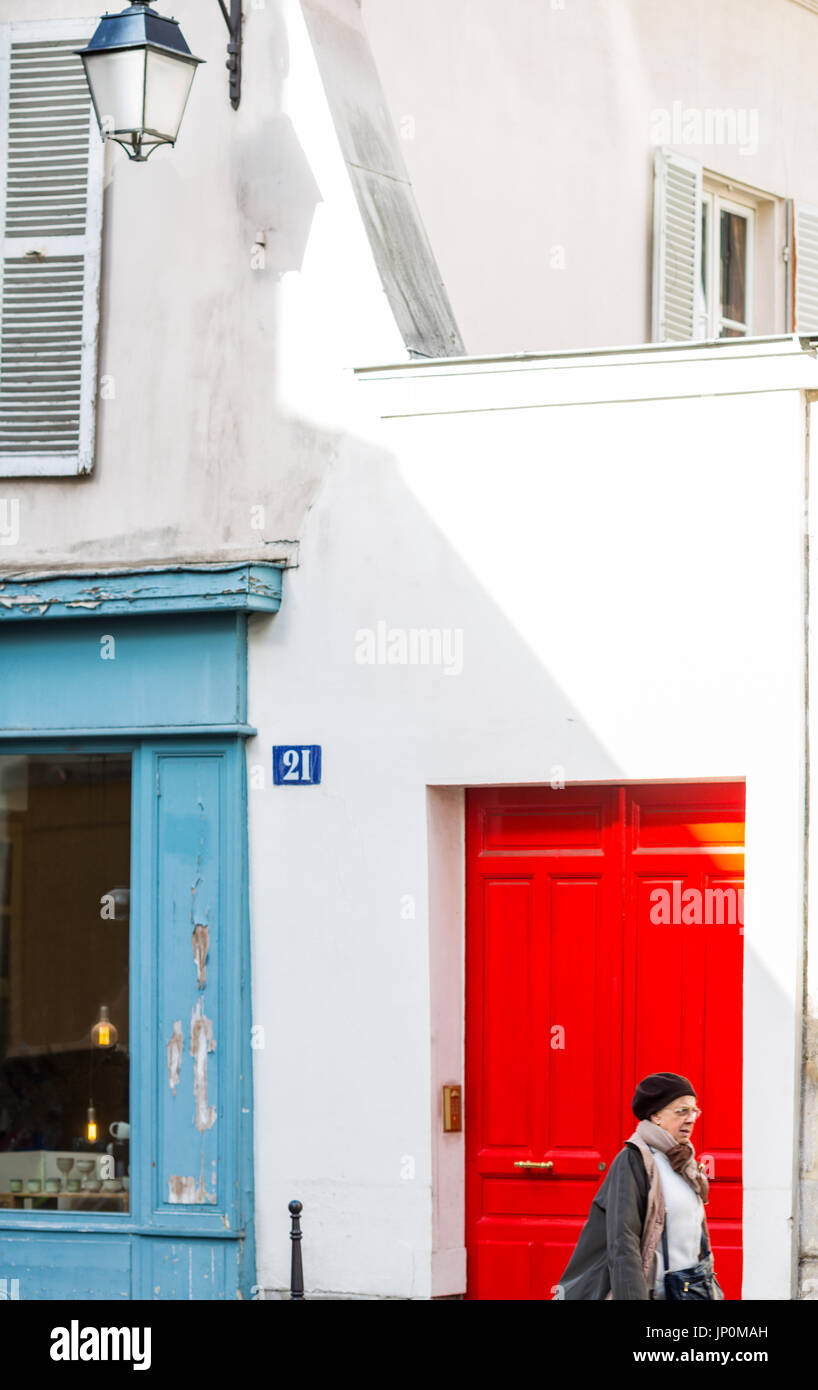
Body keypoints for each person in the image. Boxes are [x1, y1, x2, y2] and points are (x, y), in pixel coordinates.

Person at [553, 1071, 723, 1300]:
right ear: (655, 1116)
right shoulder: (633, 1161)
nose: (691, 1118)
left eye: (694, 1110)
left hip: (687, 1292)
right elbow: (623, 1244)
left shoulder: (683, 1162)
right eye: (682, 1111)